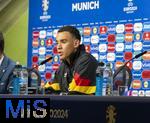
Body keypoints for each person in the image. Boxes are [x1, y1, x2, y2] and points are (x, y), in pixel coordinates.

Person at [44, 26, 98, 95]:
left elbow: (75, 95)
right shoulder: (63, 65)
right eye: (57, 43)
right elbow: (51, 90)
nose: (58, 47)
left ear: (76, 43)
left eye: (63, 42)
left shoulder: (86, 61)